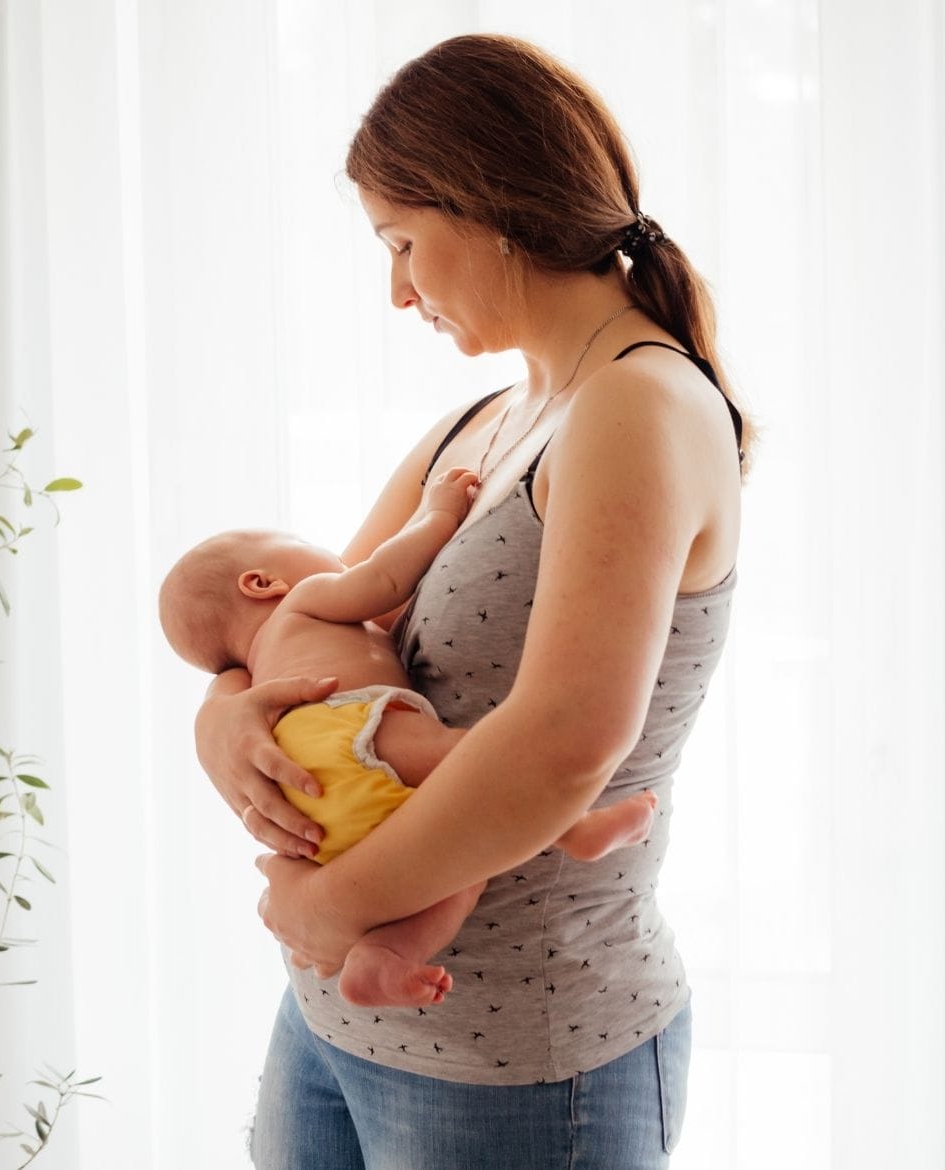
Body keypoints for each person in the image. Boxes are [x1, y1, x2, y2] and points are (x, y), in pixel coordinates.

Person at [192, 33, 749, 1169]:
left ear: (489, 202)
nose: (395, 291)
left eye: (402, 243)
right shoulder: (486, 420)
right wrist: (222, 719)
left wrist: (324, 908)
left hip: (524, 1054)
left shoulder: (639, 408)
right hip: (342, 1020)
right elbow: (307, 628)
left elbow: (561, 750)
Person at [158, 471, 659, 1008]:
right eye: (304, 545)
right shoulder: (303, 602)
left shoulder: (256, 669)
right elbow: (385, 578)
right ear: (262, 583)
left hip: (311, 801)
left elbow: (227, 697)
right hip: (345, 724)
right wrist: (438, 513)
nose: (338, 555)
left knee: (464, 865)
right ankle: (574, 827)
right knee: (470, 760)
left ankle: (385, 955)